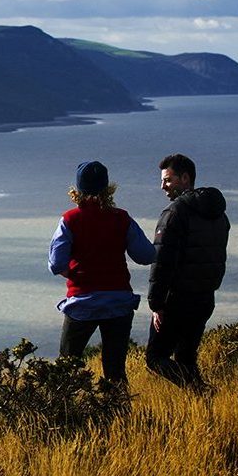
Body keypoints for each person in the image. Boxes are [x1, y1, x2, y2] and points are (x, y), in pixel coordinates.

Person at [49, 161, 155, 383]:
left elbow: (56, 264)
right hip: (118, 302)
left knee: (67, 368)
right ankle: (121, 415)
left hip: (81, 303)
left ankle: (69, 414)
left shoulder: (69, 220)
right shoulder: (122, 218)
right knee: (115, 370)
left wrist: (73, 273)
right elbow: (146, 256)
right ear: (108, 188)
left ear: (77, 190)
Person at [146, 153, 229, 387]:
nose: (162, 186)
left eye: (168, 180)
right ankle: (202, 404)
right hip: (205, 298)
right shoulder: (218, 214)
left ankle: (201, 390)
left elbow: (162, 261)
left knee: (155, 358)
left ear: (185, 178)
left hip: (177, 299)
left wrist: (157, 304)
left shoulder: (174, 213)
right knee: (186, 358)